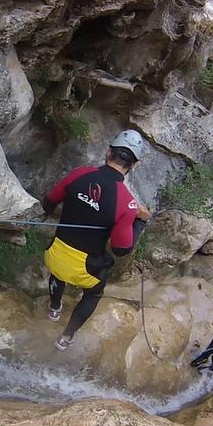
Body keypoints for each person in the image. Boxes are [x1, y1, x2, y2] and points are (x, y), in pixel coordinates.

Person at [41, 129, 151, 350]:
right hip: (84, 270)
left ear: (108, 152)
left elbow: (48, 202)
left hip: (55, 254)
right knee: (93, 293)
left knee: (59, 268)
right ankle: (66, 337)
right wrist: (140, 221)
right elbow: (121, 249)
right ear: (134, 165)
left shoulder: (79, 173)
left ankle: (54, 308)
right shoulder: (127, 203)